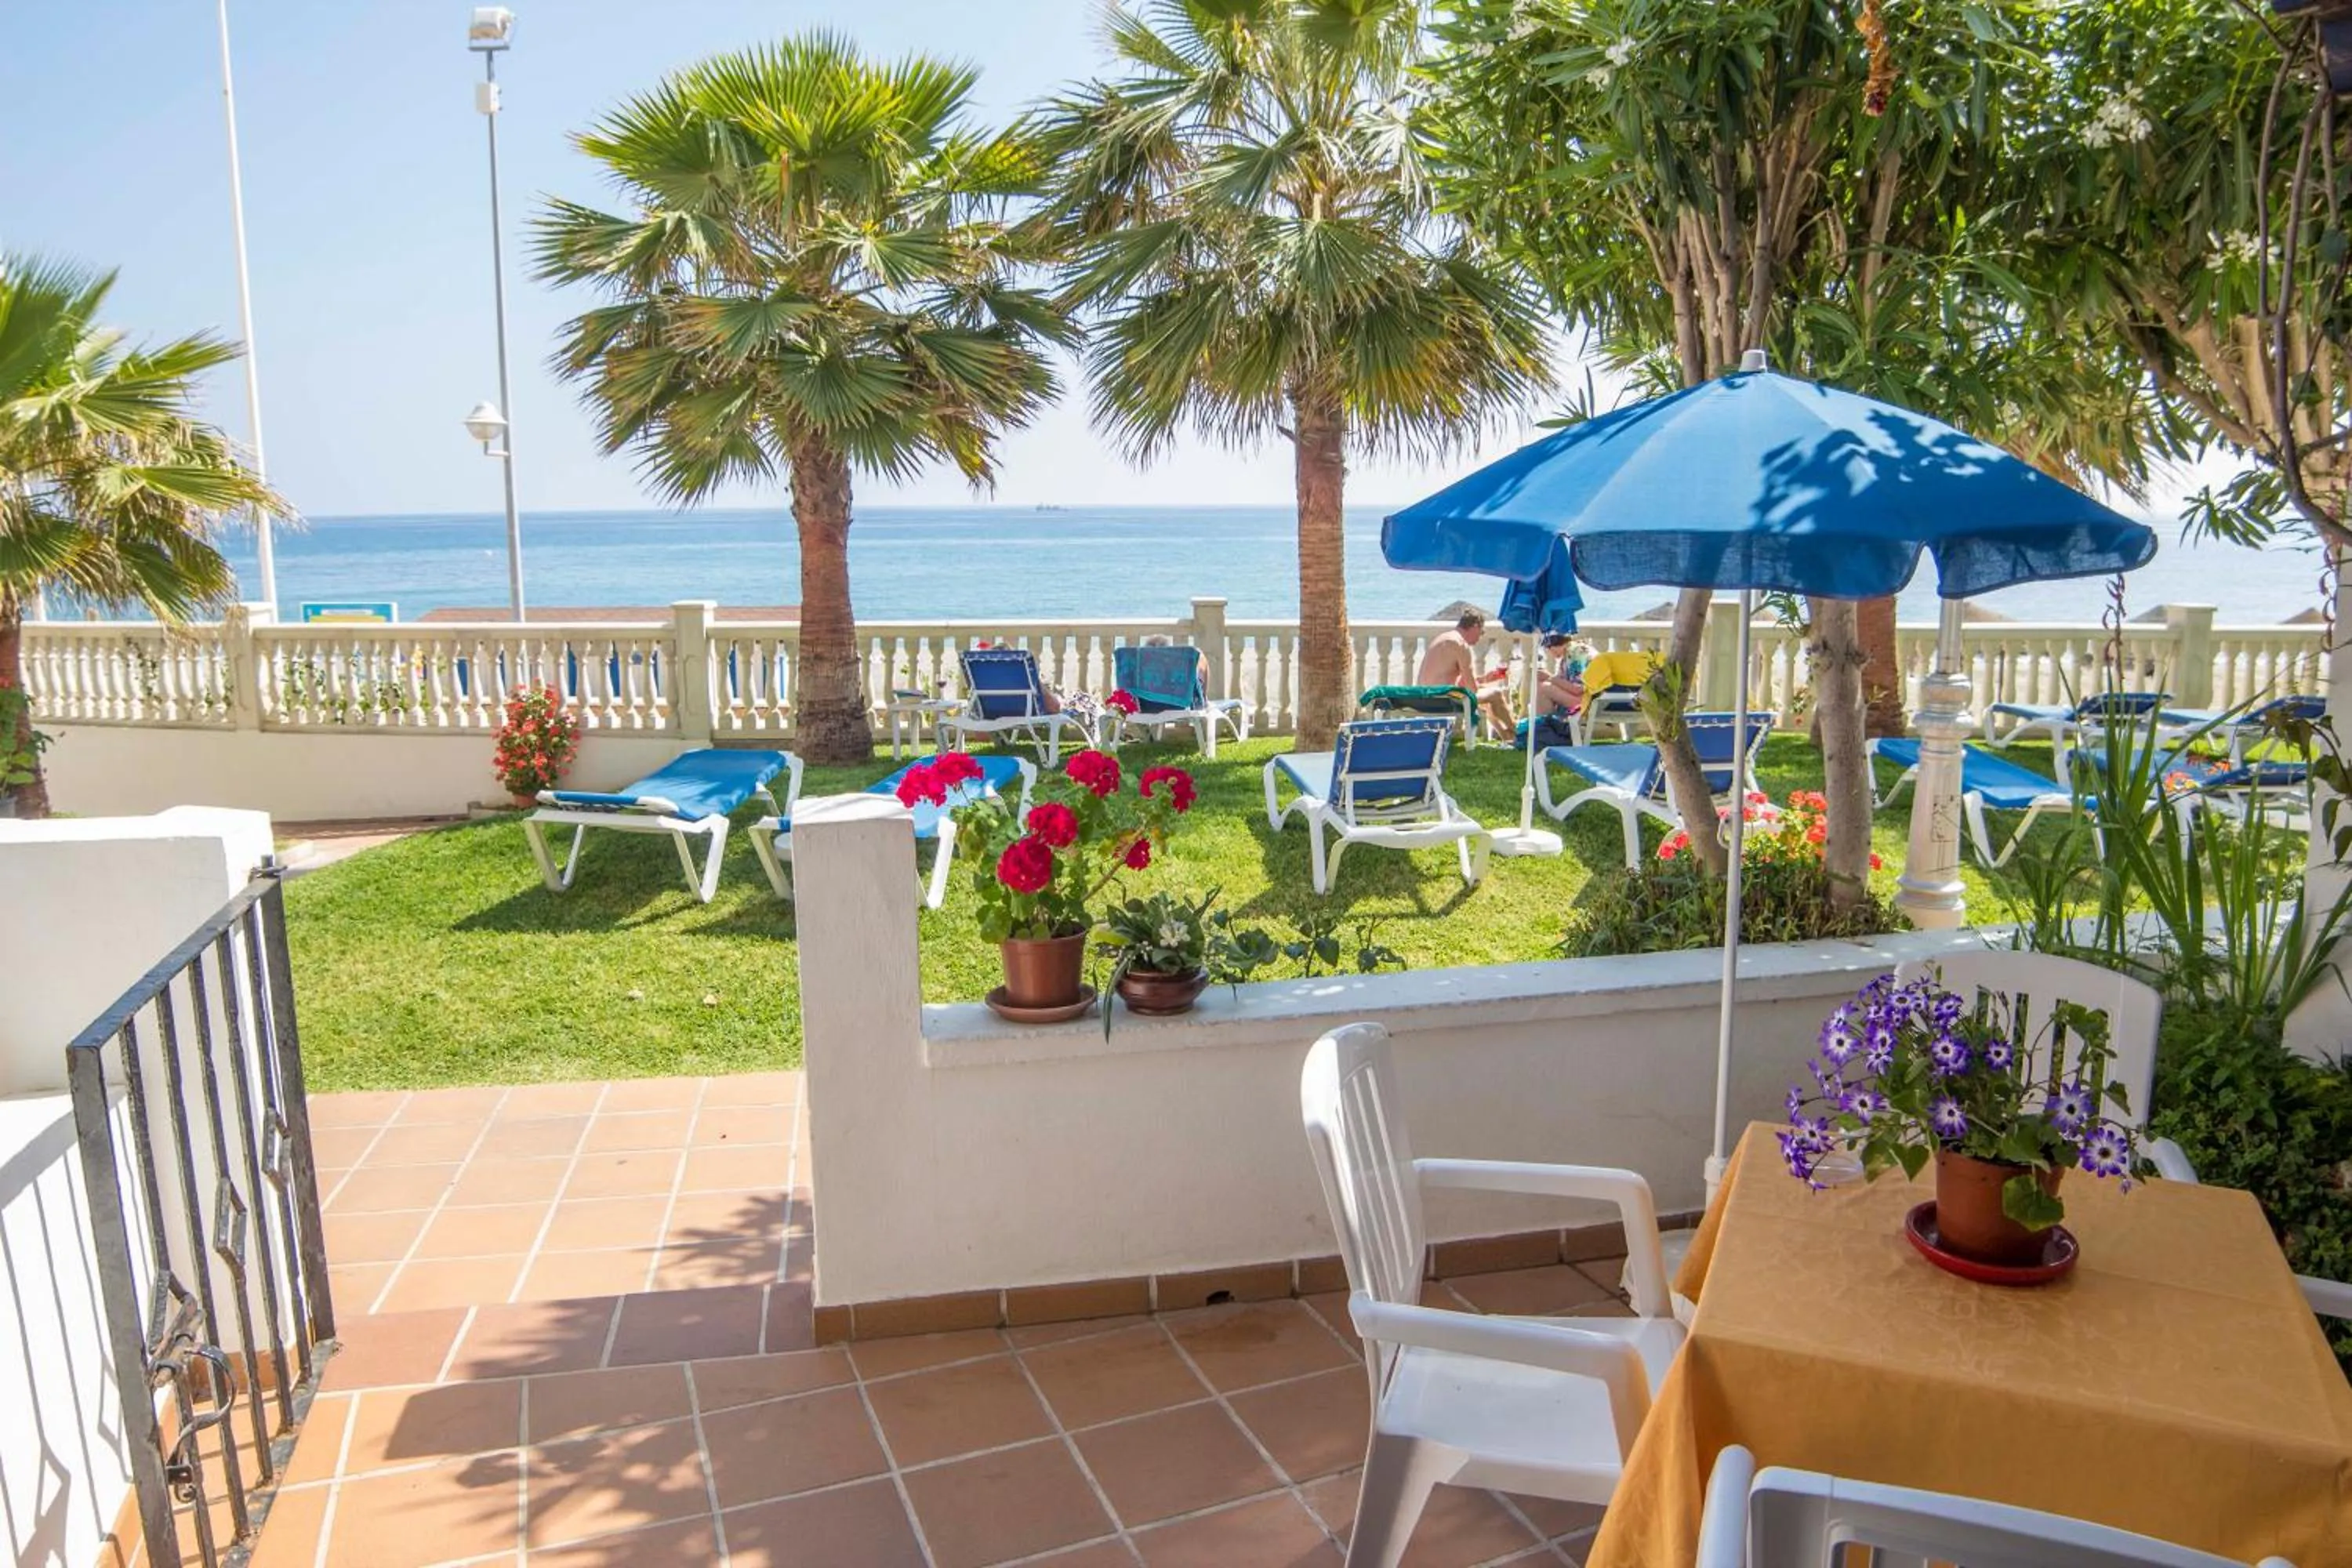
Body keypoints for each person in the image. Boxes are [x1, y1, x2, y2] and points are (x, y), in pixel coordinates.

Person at [1417, 608, 1516, 737]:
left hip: (1424, 697)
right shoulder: (1461, 645)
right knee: (1496, 694)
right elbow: (1472, 690)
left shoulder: (1443, 638)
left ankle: (1507, 736)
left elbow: (1458, 683)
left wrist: (1485, 679)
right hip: (1443, 700)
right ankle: (1517, 731)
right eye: (1482, 632)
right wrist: (1482, 685)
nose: (1481, 637)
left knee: (1487, 695)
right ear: (1475, 626)